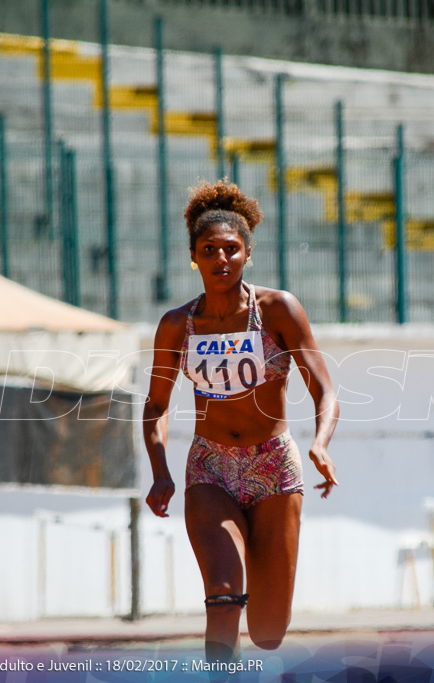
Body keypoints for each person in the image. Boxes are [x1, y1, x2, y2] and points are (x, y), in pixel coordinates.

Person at [143, 180, 340, 662]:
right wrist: (161, 469)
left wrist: (320, 442)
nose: (221, 259)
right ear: (194, 255)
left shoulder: (278, 309)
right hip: (211, 466)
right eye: (208, 250)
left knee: (269, 630)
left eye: (231, 249)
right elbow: (156, 404)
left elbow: (324, 387)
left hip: (274, 466)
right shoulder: (177, 325)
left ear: (247, 253)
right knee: (224, 594)